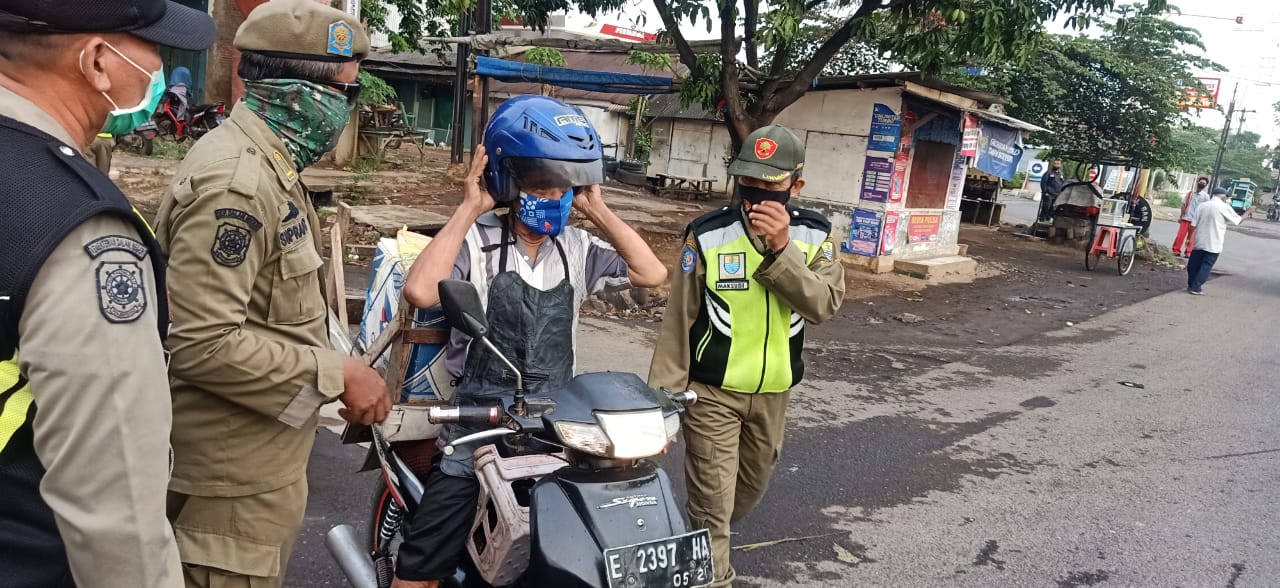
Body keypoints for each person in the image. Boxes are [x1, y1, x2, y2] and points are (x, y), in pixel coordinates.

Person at [154, 1, 389, 586]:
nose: (346, 109)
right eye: (344, 93)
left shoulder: (272, 168)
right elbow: (200, 343)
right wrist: (336, 373)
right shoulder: (236, 185)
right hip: (227, 489)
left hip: (259, 463)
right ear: (296, 92)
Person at [393, 95, 668, 588]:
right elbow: (418, 290)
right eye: (542, 184)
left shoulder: (577, 250)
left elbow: (652, 273)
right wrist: (469, 206)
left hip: (553, 430)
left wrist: (597, 207)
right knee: (422, 564)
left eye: (564, 185)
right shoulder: (475, 242)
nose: (554, 195)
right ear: (508, 183)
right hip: (477, 428)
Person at [0, 1, 214, 586]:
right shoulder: (79, 230)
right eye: (154, 51)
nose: (161, 71)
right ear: (97, 61)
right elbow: (114, 522)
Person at [648, 125, 846, 588]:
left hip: (774, 394)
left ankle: (699, 538)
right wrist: (663, 406)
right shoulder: (708, 235)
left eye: (770, 187)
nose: (756, 197)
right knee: (713, 507)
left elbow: (823, 305)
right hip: (711, 393)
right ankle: (712, 573)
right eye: (747, 184)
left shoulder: (815, 236)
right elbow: (679, 322)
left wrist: (781, 250)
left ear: (796, 186)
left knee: (744, 496)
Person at [1186, 187, 1242, 295]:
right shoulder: (1224, 207)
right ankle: (1196, 287)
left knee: (1193, 264)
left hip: (1199, 241)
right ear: (1224, 197)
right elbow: (1238, 221)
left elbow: (1192, 225)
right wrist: (1248, 212)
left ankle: (1190, 285)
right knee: (1206, 266)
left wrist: (1189, 238)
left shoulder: (1202, 206)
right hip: (1214, 243)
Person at [1173, 176, 1210, 257]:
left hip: (1196, 220)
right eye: (1201, 182)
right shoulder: (1190, 193)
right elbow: (1183, 205)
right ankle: (1176, 250)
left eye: (1204, 183)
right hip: (1186, 217)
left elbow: (1207, 209)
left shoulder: (1206, 197)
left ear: (1206, 185)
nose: (1202, 184)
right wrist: (1180, 216)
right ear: (1197, 182)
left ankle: (1188, 252)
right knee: (1180, 235)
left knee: (1192, 238)